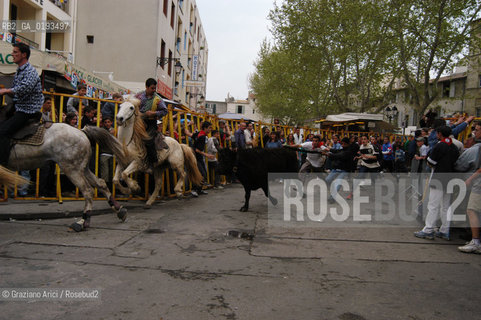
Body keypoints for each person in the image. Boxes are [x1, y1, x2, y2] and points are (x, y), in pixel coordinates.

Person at [0, 42, 44, 167]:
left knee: (2, 132)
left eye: (15, 52)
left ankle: (2, 166)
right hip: (19, 107)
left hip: (27, 110)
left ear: (23, 55)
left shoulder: (30, 71)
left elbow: (24, 88)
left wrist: (6, 90)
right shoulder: (19, 70)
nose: (12, 54)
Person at [414, 126, 460, 240]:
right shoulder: (454, 147)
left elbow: (431, 161)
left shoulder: (440, 145)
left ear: (439, 134)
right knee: (445, 206)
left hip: (438, 178)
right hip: (450, 178)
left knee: (433, 205)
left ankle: (428, 229)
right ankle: (445, 230)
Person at [455, 121, 481, 253]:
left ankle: (476, 241)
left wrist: (470, 179)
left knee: (472, 209)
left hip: (478, 185)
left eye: (476, 130)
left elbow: (461, 165)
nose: (474, 132)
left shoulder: (475, 149)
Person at [135, 78, 169, 166]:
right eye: (152, 88)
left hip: (151, 123)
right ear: (146, 87)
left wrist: (154, 113)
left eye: (155, 88)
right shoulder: (138, 96)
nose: (154, 90)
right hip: (138, 122)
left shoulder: (158, 99)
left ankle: (152, 163)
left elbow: (165, 111)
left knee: (149, 141)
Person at [347, 135, 381, 200]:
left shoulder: (373, 147)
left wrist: (367, 156)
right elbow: (363, 156)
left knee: (374, 180)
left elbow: (376, 157)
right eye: (362, 139)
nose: (363, 140)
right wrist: (358, 157)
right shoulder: (361, 147)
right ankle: (351, 193)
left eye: (365, 139)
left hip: (373, 165)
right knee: (358, 178)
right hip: (365, 164)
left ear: (368, 140)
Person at [192, 121, 215, 197]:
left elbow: (192, 136)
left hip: (196, 157)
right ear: (205, 128)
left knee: (203, 173)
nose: (210, 130)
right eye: (209, 128)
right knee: (201, 173)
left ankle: (199, 189)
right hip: (197, 157)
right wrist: (207, 155)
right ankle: (194, 190)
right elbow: (197, 150)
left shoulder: (199, 133)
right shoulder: (203, 137)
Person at [325, 137, 353, 202]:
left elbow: (339, 155)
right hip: (336, 168)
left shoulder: (349, 151)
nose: (343, 145)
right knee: (327, 179)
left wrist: (330, 155)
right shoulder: (342, 149)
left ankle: (332, 197)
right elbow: (337, 151)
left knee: (338, 182)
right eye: (342, 143)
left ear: (348, 144)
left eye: (344, 144)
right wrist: (329, 149)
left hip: (344, 170)